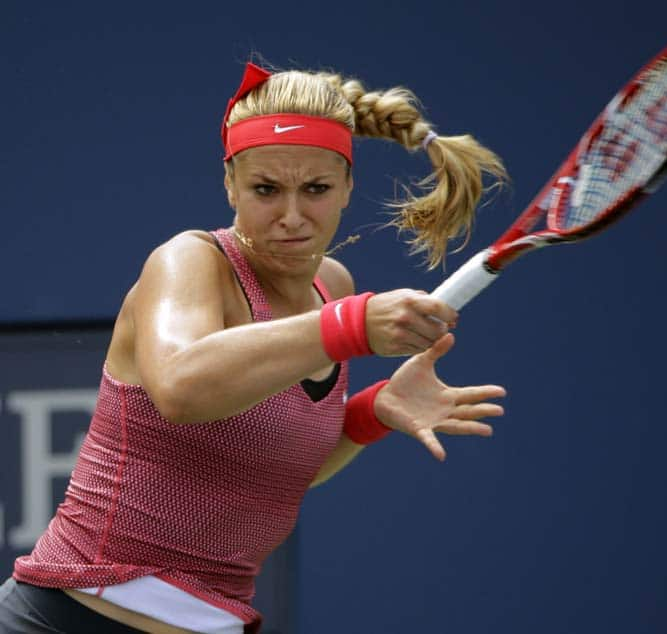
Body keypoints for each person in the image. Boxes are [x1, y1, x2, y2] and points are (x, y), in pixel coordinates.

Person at [0, 60, 509, 633]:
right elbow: (180, 387)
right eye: (265, 190)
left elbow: (271, 472)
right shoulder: (190, 260)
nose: (292, 217)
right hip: (66, 618)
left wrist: (370, 414)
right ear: (229, 184)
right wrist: (350, 326)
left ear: (347, 186)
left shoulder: (331, 288)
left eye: (315, 189)